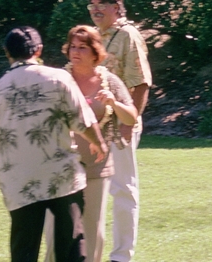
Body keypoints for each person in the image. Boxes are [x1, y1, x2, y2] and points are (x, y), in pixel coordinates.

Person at [0, 26, 109, 262]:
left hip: (20, 182)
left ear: (7, 52)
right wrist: (99, 143)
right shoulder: (59, 78)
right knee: (71, 246)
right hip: (60, 176)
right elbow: (83, 120)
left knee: (24, 250)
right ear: (39, 50)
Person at [44, 25, 138, 262]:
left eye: (82, 47)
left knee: (92, 230)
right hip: (61, 166)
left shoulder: (110, 81)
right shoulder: (57, 79)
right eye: (72, 46)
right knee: (56, 230)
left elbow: (131, 117)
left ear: (96, 52)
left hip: (96, 166)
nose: (75, 52)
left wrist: (114, 103)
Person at [87, 0, 153, 262]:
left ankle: (121, 256)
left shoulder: (128, 36)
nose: (96, 10)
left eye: (102, 4)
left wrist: (128, 125)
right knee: (91, 189)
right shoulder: (92, 36)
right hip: (93, 128)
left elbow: (141, 83)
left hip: (120, 126)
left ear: (116, 6)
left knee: (123, 189)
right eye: (92, 5)